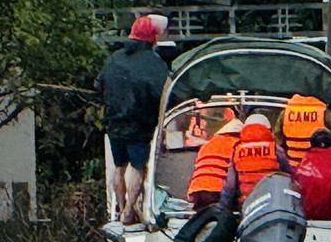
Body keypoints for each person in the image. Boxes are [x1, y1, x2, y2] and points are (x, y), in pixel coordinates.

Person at [96, 13, 169, 225]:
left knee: (119, 166)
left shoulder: (113, 59)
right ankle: (129, 210)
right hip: (139, 124)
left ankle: (120, 208)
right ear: (152, 38)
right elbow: (163, 94)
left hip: (114, 122)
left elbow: (99, 85)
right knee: (137, 167)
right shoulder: (154, 63)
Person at [220, 113, 293, 209]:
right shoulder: (275, 149)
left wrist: (224, 206)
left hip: (247, 203)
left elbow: (230, 185)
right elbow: (289, 175)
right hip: (272, 201)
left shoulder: (237, 150)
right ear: (268, 130)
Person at [273, 94, 331, 169]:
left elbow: (277, 141)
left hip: (292, 166)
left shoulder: (287, 111)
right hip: (317, 169)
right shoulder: (323, 112)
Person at [186, 118, 243, 210]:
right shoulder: (236, 144)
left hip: (196, 189)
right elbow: (232, 176)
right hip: (217, 190)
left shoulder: (209, 143)